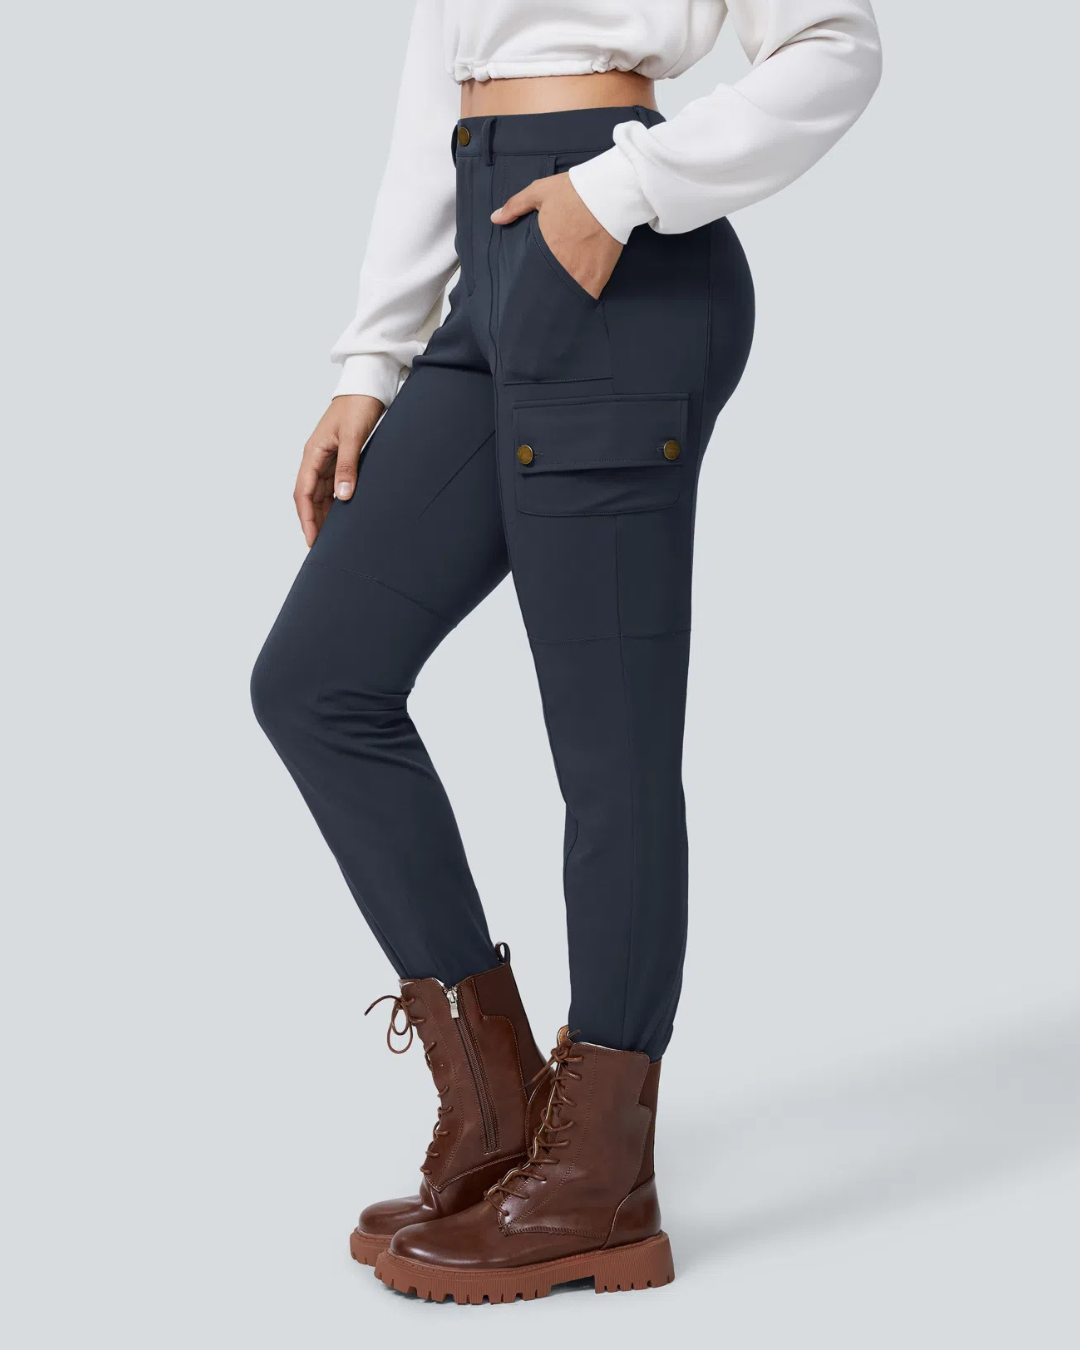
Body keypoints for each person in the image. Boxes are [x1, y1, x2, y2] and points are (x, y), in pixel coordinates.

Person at [251, 0, 881, 1303]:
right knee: (317, 679)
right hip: (494, 261)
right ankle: (496, 1103)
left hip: (615, 256)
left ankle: (600, 1180)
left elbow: (834, 45)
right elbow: (439, 85)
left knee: (609, 748)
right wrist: (372, 358)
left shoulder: (618, 195)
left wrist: (622, 189)